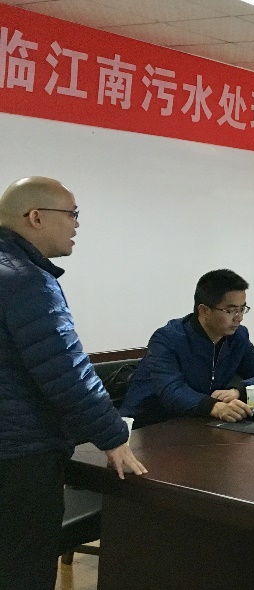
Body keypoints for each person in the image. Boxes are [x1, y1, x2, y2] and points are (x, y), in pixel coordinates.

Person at [0, 177, 147, 590]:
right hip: (20, 457)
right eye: (72, 214)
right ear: (35, 217)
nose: (77, 224)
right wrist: (113, 438)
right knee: (23, 570)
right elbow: (66, 371)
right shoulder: (26, 280)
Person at [121, 269, 254, 428]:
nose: (240, 317)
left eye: (242, 309)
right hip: (148, 427)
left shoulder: (237, 337)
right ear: (204, 311)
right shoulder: (167, 339)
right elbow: (172, 392)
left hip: (198, 422)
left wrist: (238, 391)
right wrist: (214, 407)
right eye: (231, 310)